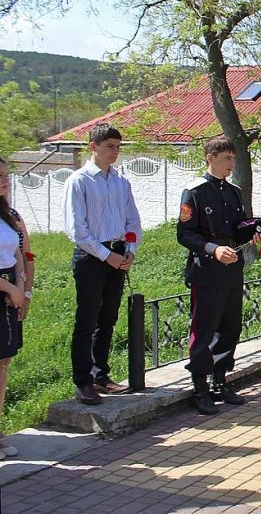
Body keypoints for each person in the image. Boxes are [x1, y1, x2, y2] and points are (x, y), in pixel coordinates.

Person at [177, 135, 261, 414]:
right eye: (227, 158)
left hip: (232, 270)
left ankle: (220, 380)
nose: (231, 163)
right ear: (210, 158)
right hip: (207, 271)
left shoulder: (233, 191)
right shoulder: (195, 191)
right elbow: (185, 234)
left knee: (230, 328)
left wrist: (253, 228)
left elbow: (236, 228)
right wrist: (213, 249)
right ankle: (200, 387)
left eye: (233, 159)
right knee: (203, 331)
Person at [64, 123, 142, 405]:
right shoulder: (80, 180)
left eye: (118, 147)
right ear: (93, 147)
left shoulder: (121, 182)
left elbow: (132, 221)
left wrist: (130, 249)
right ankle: (83, 381)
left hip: (118, 254)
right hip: (92, 256)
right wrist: (105, 254)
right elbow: (77, 229)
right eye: (109, 146)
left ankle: (101, 375)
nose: (115, 152)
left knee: (108, 318)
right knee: (86, 319)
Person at [0, 158, 30, 458]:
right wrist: (10, 288)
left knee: (4, 362)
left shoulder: (7, 214)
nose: (6, 180)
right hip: (4, 288)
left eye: (7, 175)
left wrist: (20, 285)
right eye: (0, 176)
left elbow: (18, 252)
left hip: (10, 290)